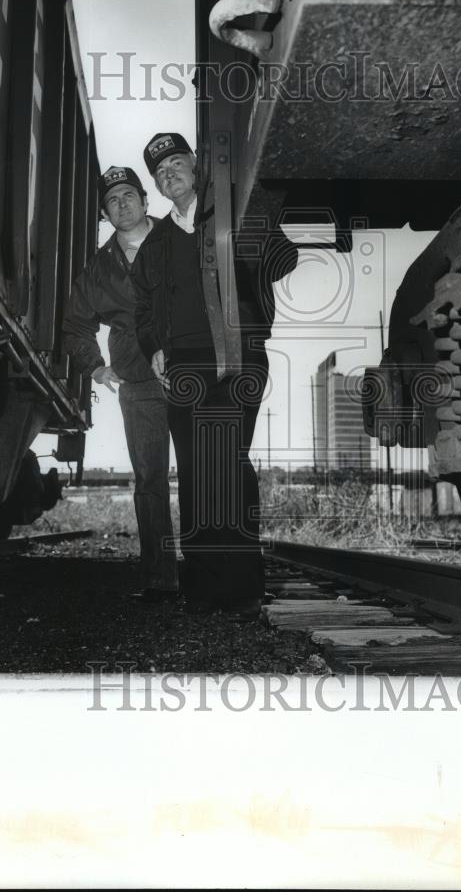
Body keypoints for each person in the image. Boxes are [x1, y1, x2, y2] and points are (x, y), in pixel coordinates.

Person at [132, 133, 298, 617]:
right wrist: (153, 348)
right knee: (196, 472)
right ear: (158, 186)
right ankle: (203, 590)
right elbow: (142, 308)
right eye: (160, 172)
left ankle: (243, 588)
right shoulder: (156, 243)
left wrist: (251, 228)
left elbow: (284, 261)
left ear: (196, 165)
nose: (169, 175)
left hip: (237, 355)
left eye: (176, 164)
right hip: (182, 365)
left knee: (227, 465)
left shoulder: (233, 213)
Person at [63, 165, 178, 601]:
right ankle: (160, 578)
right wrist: (96, 368)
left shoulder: (178, 241)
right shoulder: (100, 267)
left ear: (146, 201)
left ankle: (212, 575)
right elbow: (75, 325)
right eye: (113, 200)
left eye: (129, 195)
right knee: (150, 480)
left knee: (204, 471)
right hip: (138, 381)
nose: (122, 204)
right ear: (105, 214)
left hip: (190, 372)